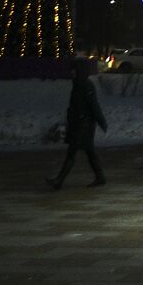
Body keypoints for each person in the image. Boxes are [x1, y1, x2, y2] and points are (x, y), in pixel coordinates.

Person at [47, 57, 107, 189]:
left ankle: (59, 181)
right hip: (78, 123)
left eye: (73, 70)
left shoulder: (85, 85)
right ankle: (100, 176)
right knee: (89, 151)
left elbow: (93, 105)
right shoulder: (78, 84)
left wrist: (101, 121)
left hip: (83, 125)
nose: (71, 73)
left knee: (72, 151)